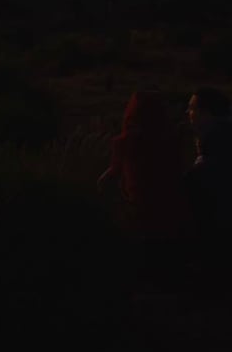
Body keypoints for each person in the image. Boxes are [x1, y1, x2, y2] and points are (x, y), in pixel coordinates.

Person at [98, 90, 188, 242]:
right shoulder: (171, 141)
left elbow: (107, 180)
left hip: (138, 215)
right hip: (171, 214)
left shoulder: (125, 142)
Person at [184, 87, 232, 278]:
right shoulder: (218, 136)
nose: (189, 113)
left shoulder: (218, 140)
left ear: (207, 113)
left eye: (192, 108)